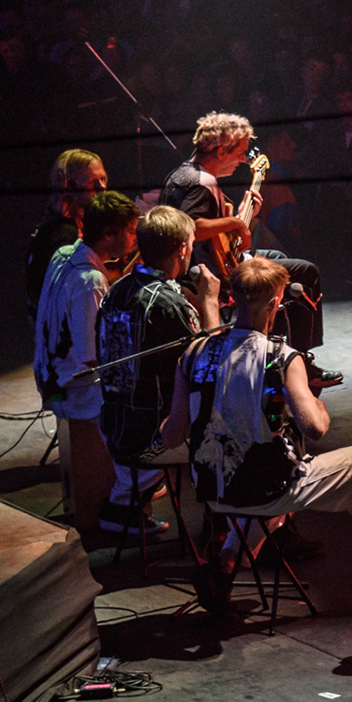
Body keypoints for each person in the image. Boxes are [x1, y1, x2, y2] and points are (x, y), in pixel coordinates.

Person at [159, 257, 352, 614]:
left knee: (279, 469)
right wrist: (312, 401)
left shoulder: (194, 353)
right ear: (276, 303)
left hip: (212, 491)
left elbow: (171, 437)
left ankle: (225, 563)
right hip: (267, 490)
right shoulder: (280, 356)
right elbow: (316, 428)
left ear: (233, 298)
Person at [158, 111, 339, 383]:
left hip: (207, 264)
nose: (244, 160)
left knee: (276, 258)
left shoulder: (183, 174)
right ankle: (300, 362)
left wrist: (245, 216)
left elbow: (217, 235)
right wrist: (235, 221)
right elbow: (189, 226)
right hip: (208, 276)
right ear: (220, 151)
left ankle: (270, 345)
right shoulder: (201, 182)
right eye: (240, 153)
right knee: (305, 272)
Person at [95, 206, 224, 538]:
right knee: (230, 429)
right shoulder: (168, 303)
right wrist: (210, 302)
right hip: (150, 439)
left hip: (113, 427)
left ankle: (126, 504)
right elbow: (209, 366)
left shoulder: (116, 290)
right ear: (182, 249)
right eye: (192, 243)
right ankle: (227, 532)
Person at [34, 191, 141, 528]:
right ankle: (122, 502)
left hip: (50, 373)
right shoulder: (90, 282)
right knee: (143, 404)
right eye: (131, 231)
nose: (135, 238)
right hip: (74, 390)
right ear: (109, 234)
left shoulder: (66, 253)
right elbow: (92, 357)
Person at [26, 148, 106, 319]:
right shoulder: (62, 236)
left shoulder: (64, 226)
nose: (102, 187)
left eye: (103, 178)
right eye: (92, 181)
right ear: (69, 186)